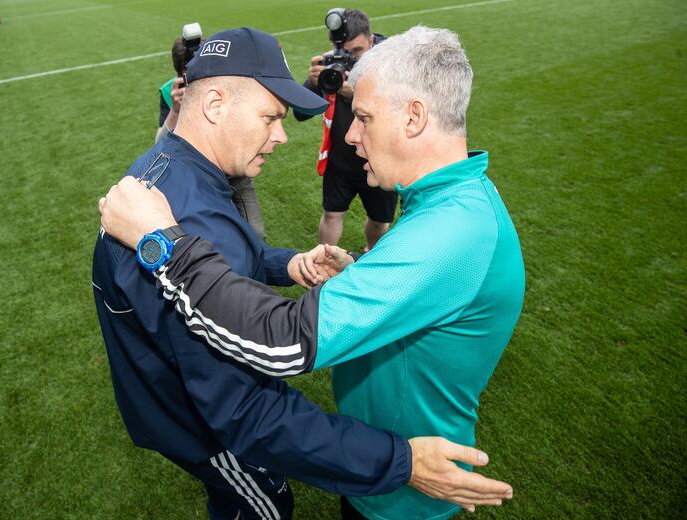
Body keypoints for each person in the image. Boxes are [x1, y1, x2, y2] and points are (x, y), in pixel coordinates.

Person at [99, 25, 524, 520]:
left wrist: (163, 243)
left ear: (414, 117)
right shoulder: (449, 202)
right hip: (382, 461)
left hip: (404, 489)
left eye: (362, 116)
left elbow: (282, 341)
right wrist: (355, 269)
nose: (348, 134)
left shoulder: (449, 233)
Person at [295, 9, 396, 252]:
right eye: (345, 53)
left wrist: (358, 93)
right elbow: (301, 113)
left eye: (357, 52)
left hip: (379, 159)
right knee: (332, 214)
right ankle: (324, 260)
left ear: (371, 41)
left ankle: (372, 256)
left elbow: (399, 111)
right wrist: (314, 82)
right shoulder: (331, 65)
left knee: (380, 220)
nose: (350, 60)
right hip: (339, 161)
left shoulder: (392, 63)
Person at [155, 29, 268, 242]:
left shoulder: (226, 84)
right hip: (195, 178)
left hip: (233, 173)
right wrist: (176, 109)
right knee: (211, 240)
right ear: (180, 73)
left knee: (256, 234)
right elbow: (160, 144)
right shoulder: (172, 91)